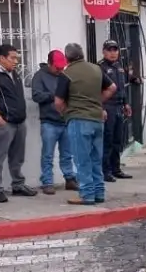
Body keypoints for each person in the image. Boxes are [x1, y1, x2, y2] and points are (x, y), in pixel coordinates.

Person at [56, 42, 116, 205]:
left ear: (67, 57)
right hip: (97, 119)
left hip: (78, 120)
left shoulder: (67, 73)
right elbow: (112, 87)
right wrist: (97, 102)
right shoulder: (96, 69)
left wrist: (66, 113)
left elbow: (58, 101)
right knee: (96, 158)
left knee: (82, 159)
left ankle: (87, 194)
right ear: (82, 54)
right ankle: (99, 192)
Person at [0, 43, 37, 202]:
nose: (15, 61)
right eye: (12, 58)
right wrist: (0, 121)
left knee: (17, 156)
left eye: (16, 58)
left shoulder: (14, 74)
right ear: (1, 58)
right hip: (4, 124)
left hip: (19, 122)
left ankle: (18, 185)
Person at [31, 49, 77, 195]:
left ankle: (70, 178)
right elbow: (36, 96)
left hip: (65, 120)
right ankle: (47, 182)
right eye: (57, 68)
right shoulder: (39, 76)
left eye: (62, 68)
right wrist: (55, 96)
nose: (60, 70)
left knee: (67, 154)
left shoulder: (64, 75)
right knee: (48, 155)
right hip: (49, 121)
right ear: (50, 64)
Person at [98, 39, 133, 182]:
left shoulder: (119, 66)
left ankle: (116, 169)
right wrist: (101, 107)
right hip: (108, 107)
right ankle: (105, 171)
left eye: (115, 50)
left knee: (118, 140)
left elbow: (121, 87)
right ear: (104, 52)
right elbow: (97, 90)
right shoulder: (100, 68)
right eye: (109, 50)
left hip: (119, 106)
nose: (113, 53)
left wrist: (126, 103)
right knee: (108, 140)